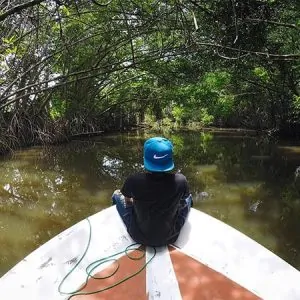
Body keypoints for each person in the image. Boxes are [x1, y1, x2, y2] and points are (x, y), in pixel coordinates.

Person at [112, 136, 192, 247]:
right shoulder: (181, 180)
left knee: (116, 195)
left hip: (138, 236)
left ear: (145, 159)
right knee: (188, 199)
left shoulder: (134, 180)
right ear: (170, 160)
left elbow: (128, 201)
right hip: (171, 237)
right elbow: (183, 199)